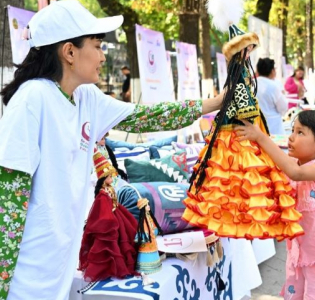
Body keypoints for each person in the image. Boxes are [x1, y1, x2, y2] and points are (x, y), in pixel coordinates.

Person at [0, 1, 223, 299]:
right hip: (26, 274)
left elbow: (148, 116)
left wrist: (216, 103)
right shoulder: (31, 101)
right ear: (69, 52)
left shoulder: (85, 96)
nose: (103, 57)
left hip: (58, 266)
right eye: (97, 45)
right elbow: (10, 198)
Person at [182, 12, 304, 241]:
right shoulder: (240, 71)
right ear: (241, 50)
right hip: (238, 124)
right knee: (239, 176)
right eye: (247, 48)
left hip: (239, 123)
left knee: (235, 180)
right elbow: (243, 96)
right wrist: (250, 110)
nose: (249, 52)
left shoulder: (242, 69)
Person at [234, 109, 315, 300]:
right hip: (298, 255)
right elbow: (279, 170)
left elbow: (295, 173)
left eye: (300, 132)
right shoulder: (295, 163)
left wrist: (261, 138)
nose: (291, 137)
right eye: (292, 130)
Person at [78, 150, 137, 282]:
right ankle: (112, 267)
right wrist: (109, 220)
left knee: (128, 230)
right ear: (104, 178)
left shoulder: (109, 189)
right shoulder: (102, 194)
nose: (112, 178)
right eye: (109, 176)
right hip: (109, 218)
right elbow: (103, 209)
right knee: (109, 243)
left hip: (116, 213)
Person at [256, 57, 288, 134]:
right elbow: (283, 107)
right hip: (273, 126)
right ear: (272, 71)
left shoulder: (251, 84)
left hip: (256, 125)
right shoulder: (273, 86)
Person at [135, 198, 163, 286]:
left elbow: (153, 227)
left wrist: (155, 231)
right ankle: (144, 277)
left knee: (150, 260)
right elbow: (144, 231)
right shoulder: (143, 220)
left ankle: (146, 277)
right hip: (147, 243)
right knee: (146, 261)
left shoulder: (149, 217)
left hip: (151, 242)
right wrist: (148, 235)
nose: (148, 207)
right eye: (146, 205)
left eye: (148, 205)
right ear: (143, 207)